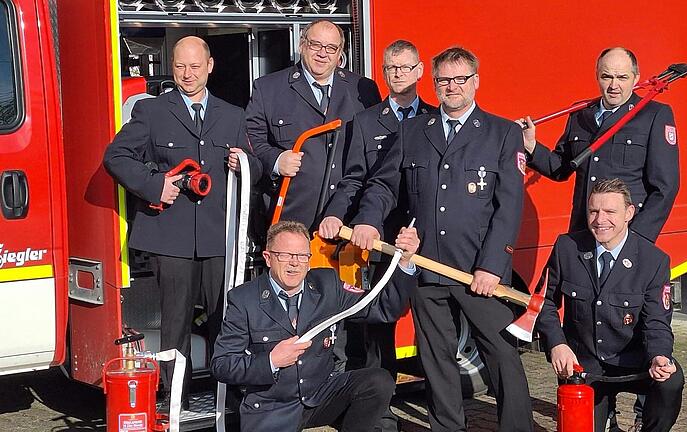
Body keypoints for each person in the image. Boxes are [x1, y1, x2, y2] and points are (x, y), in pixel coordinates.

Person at [348, 47, 533, 432]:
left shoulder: (502, 133)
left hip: (476, 271)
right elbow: (383, 185)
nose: (452, 87)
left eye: (459, 79)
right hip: (426, 268)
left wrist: (491, 266)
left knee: (500, 353)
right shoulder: (414, 130)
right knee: (436, 359)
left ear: (475, 82)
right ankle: (448, 427)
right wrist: (368, 220)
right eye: (444, 80)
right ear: (434, 83)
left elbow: (508, 207)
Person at [103, 36, 262, 408]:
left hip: (217, 238)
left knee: (227, 320)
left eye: (194, 66)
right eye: (179, 67)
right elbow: (116, 156)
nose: (187, 74)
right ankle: (177, 403)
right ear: (170, 67)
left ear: (210, 66)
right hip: (169, 239)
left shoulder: (233, 115)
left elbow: (257, 167)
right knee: (175, 326)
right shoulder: (152, 112)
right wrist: (155, 185)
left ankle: (230, 401)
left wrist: (246, 165)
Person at [318, 39, 435, 431]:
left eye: (405, 67)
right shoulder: (366, 123)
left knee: (435, 332)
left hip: (429, 243)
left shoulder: (438, 120)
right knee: (377, 332)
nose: (397, 74)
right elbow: (352, 179)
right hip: (381, 243)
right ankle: (380, 414)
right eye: (390, 68)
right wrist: (335, 217)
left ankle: (442, 413)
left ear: (420, 72)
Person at [210, 220, 419, 432]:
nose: (295, 263)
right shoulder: (244, 299)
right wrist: (271, 361)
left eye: (302, 256)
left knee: (378, 381)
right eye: (286, 255)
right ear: (268, 258)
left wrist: (404, 261)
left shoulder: (326, 284)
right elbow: (222, 365)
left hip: (321, 395)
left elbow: (382, 309)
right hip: (273, 408)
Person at [535, 178, 684, 432]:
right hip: (586, 367)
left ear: (629, 213)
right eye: (593, 211)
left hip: (634, 361)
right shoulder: (567, 248)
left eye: (610, 212)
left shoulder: (653, 260)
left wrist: (659, 356)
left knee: (670, 382)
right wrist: (557, 344)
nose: (600, 220)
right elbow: (543, 302)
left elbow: (657, 321)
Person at [518, 47, 679, 243]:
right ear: (597, 76)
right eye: (607, 76)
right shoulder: (580, 114)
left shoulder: (653, 115)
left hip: (624, 234)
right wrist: (531, 145)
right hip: (583, 232)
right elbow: (561, 168)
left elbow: (665, 187)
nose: (614, 85)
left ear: (636, 78)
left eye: (622, 77)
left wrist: (639, 238)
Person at [245, 19, 381, 232]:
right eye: (315, 45)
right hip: (292, 220)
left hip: (349, 219)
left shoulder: (363, 90)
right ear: (302, 45)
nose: (322, 53)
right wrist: (276, 160)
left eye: (330, 48)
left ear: (340, 53)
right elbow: (251, 140)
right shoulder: (268, 89)